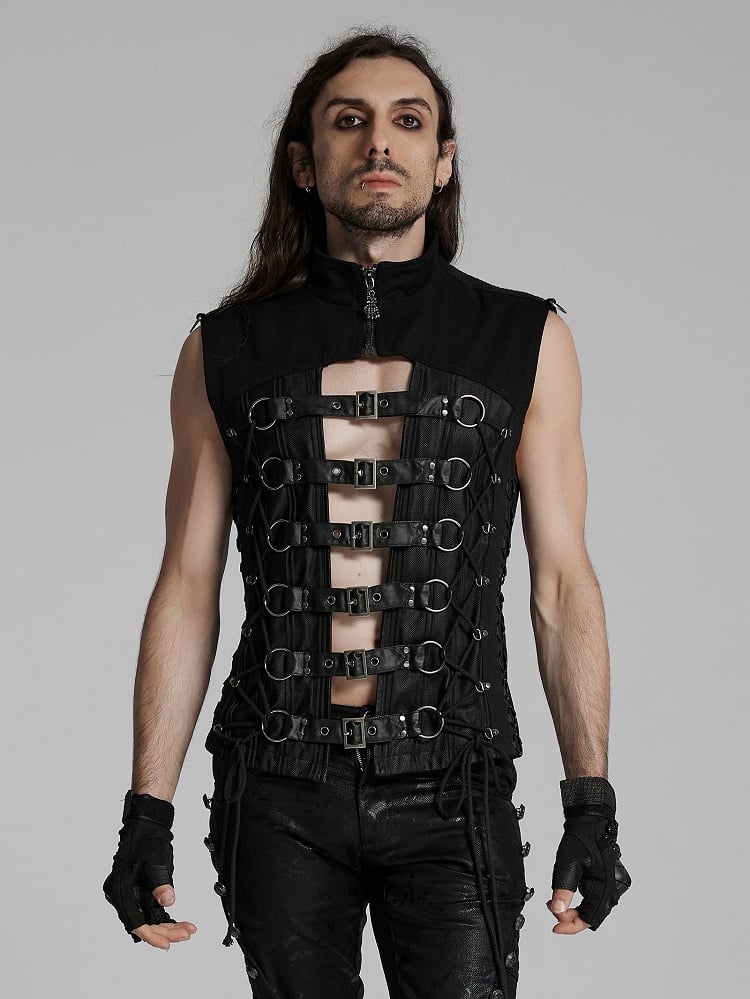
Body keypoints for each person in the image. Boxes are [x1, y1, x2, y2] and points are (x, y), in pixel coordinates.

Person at [104, 28, 631, 999]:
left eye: (408, 121)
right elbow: (186, 583)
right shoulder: (227, 347)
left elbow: (562, 581)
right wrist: (148, 807)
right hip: (277, 783)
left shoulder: (524, 338)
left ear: (443, 160)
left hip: (454, 782)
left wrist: (591, 801)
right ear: (305, 163)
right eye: (349, 120)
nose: (379, 141)